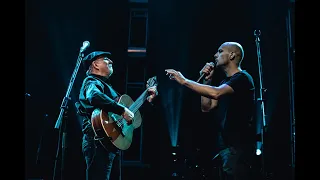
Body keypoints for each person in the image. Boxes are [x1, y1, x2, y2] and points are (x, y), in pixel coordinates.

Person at [165, 42, 256, 180]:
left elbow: (216, 93)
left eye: (220, 51)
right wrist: (207, 81)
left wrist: (184, 81)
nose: (215, 55)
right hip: (225, 146)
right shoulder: (225, 82)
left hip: (238, 146)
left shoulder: (242, 78)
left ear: (231, 55)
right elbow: (207, 107)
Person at [75, 51, 158, 180]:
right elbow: (94, 96)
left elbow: (134, 118)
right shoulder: (91, 81)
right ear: (95, 64)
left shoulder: (108, 87)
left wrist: (148, 99)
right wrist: (122, 110)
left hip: (111, 142)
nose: (111, 61)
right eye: (106, 59)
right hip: (98, 140)